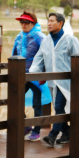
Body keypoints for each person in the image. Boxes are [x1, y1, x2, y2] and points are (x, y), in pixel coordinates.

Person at [29, 12, 79, 147]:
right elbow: (39, 58)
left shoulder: (70, 40)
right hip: (52, 81)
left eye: (52, 21)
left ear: (60, 23)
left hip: (66, 81)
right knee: (57, 108)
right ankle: (67, 132)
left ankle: (53, 135)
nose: (49, 23)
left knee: (59, 106)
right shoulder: (46, 41)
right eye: (48, 21)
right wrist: (34, 73)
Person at [12, 11, 50, 141]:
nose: (23, 24)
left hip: (35, 75)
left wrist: (43, 73)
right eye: (21, 22)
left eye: (26, 22)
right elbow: (14, 55)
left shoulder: (40, 37)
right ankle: (26, 126)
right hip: (22, 75)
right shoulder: (19, 37)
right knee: (15, 99)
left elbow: (47, 55)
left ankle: (37, 131)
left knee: (37, 104)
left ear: (33, 23)